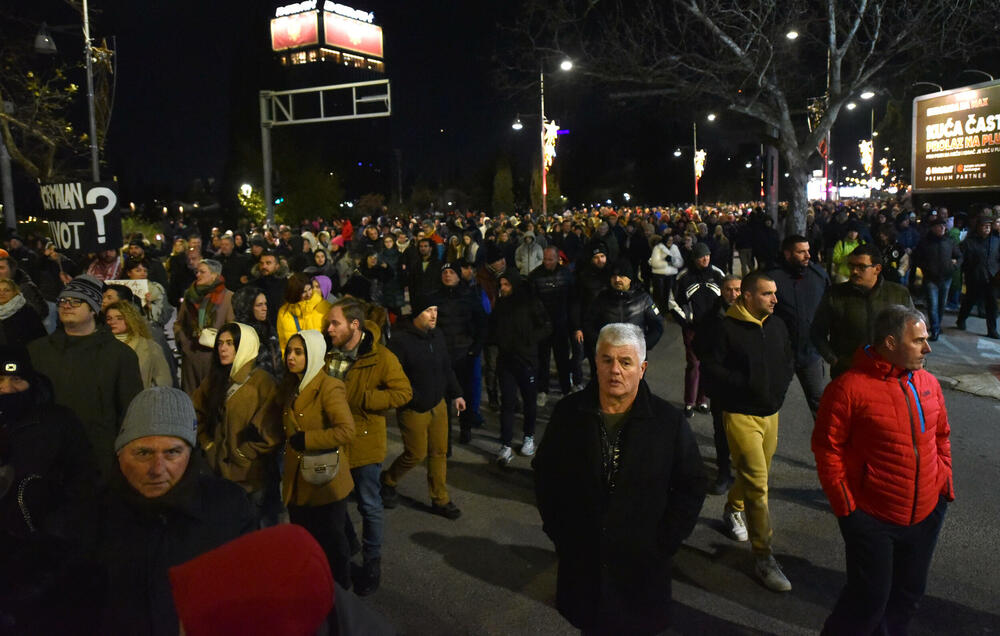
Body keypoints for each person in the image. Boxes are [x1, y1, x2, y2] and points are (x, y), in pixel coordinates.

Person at [533, 323, 706, 634]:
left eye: (625, 362)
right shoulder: (569, 414)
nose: (615, 370)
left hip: (642, 567)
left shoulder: (668, 422)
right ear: (595, 362)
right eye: (606, 360)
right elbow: (547, 477)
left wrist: (665, 542)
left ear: (642, 368)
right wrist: (560, 532)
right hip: (583, 563)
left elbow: (691, 485)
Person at [812, 305, 954, 634]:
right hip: (873, 518)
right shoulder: (848, 389)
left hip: (926, 514)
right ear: (890, 343)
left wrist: (943, 485)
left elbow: (942, 435)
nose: (928, 348)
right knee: (867, 602)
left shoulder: (929, 383)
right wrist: (848, 508)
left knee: (907, 597)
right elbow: (827, 449)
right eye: (919, 340)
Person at [95, 386, 254, 635]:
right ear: (120, 454)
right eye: (143, 453)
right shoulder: (91, 515)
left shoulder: (228, 510)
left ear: (190, 454)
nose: (157, 469)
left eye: (172, 453)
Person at [702, 271, 795, 592]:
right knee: (758, 484)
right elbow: (711, 370)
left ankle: (734, 508)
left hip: (771, 413)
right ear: (749, 296)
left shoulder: (777, 324)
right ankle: (764, 556)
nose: (775, 299)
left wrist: (777, 392)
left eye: (774, 293)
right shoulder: (725, 328)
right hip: (741, 415)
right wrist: (744, 388)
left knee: (758, 474)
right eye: (768, 294)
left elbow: (787, 360)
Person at [0, 346, 100, 634]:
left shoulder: (58, 423)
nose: (7, 389)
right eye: (1, 381)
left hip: (46, 563)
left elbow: (84, 483)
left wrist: (55, 535)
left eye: (17, 380)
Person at [325, 297, 412, 595]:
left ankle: (372, 561)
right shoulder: (329, 353)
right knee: (335, 502)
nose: (329, 327)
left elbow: (403, 393)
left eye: (334, 322)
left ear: (354, 325)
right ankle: (349, 546)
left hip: (364, 442)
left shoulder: (382, 357)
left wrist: (369, 399)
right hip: (335, 441)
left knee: (369, 505)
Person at [28, 275, 143, 482]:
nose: (67, 306)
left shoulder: (119, 355)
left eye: (76, 301)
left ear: (93, 308)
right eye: (63, 300)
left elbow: (130, 411)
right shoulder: (37, 351)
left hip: (99, 460)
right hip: (46, 457)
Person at [279, 330, 356, 590]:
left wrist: (309, 439)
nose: (291, 357)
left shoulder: (328, 386)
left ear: (313, 354)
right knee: (306, 537)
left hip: (326, 478)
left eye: (298, 352)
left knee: (332, 541)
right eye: (289, 351)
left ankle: (341, 592)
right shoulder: (291, 384)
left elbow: (346, 430)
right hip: (299, 476)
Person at [381, 298, 466, 520]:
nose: (434, 315)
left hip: (438, 404)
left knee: (439, 452)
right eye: (429, 310)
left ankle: (440, 499)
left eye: (436, 310)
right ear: (417, 314)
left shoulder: (437, 335)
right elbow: (392, 377)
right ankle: (388, 479)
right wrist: (412, 398)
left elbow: (446, 366)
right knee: (415, 453)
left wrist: (456, 393)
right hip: (414, 408)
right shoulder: (400, 341)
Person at [191, 323, 282, 522]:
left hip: (252, 477)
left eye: (230, 343)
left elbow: (273, 428)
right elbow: (196, 412)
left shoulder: (262, 382)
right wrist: (207, 444)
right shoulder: (214, 379)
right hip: (219, 474)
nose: (223, 348)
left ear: (244, 346)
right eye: (220, 343)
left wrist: (245, 453)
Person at [811, 244, 914, 378]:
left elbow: (913, 330)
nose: (854, 271)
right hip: (848, 374)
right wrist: (834, 360)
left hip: (887, 374)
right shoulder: (835, 294)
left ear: (877, 269)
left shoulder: (898, 294)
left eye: (861, 267)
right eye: (851, 266)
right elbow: (817, 332)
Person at [489, 270, 551, 465]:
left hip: (527, 361)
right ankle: (505, 444)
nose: (503, 289)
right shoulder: (501, 303)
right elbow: (494, 326)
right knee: (507, 402)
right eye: (501, 285)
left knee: (529, 401)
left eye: (506, 285)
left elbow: (547, 326)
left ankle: (528, 437)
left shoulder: (531, 302)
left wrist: (529, 340)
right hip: (506, 361)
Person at [766, 234, 831, 416]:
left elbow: (829, 309)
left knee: (820, 403)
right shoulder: (771, 279)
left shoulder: (818, 276)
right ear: (787, 254)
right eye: (801, 252)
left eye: (808, 251)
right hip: (780, 354)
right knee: (769, 401)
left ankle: (825, 443)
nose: (807, 255)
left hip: (810, 353)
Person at [693, 274, 741, 495]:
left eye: (738, 290)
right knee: (721, 430)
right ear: (722, 291)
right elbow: (698, 346)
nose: (733, 294)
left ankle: (744, 468)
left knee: (744, 429)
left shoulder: (752, 314)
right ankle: (723, 471)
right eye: (729, 289)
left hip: (744, 385)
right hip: (720, 385)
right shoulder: (710, 318)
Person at [668, 242, 726, 417]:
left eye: (708, 255)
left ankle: (702, 400)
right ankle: (689, 402)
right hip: (693, 329)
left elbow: (729, 296)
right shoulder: (683, 277)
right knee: (694, 364)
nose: (706, 258)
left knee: (709, 364)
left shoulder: (717, 274)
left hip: (714, 328)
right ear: (694, 258)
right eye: (702, 256)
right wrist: (686, 321)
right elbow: (672, 302)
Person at [434, 262, 487, 444]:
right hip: (442, 355)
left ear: (458, 276)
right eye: (445, 272)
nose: (448, 275)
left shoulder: (469, 296)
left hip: (464, 354)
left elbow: (482, 324)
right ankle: (444, 440)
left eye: (451, 272)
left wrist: (475, 350)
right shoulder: (435, 297)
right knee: (443, 399)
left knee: (464, 395)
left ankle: (465, 428)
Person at [174, 259, 235, 393]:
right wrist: (183, 342)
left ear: (214, 276)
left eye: (202, 272)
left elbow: (231, 327)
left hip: (214, 357)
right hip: (191, 355)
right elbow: (179, 323)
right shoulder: (190, 295)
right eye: (197, 272)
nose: (198, 275)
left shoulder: (228, 297)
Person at [583, 259, 663, 360]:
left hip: (635, 358)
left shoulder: (643, 299)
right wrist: (600, 343)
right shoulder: (602, 299)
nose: (617, 279)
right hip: (608, 357)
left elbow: (657, 326)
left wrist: (643, 346)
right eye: (613, 276)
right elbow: (588, 323)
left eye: (621, 276)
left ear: (630, 278)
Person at [529, 246, 576, 404]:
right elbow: (532, 302)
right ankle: (542, 390)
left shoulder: (566, 275)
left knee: (562, 359)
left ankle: (565, 389)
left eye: (550, 259)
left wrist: (573, 324)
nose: (547, 262)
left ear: (557, 259)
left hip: (561, 324)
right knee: (542, 359)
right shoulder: (535, 276)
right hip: (542, 325)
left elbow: (572, 301)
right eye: (545, 259)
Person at [104, 300, 173, 389]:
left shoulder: (150, 347)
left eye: (119, 318)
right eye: (109, 318)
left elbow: (163, 382)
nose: (112, 322)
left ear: (130, 319)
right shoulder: (100, 346)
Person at [912, 218, 961, 341]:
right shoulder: (925, 242)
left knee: (941, 304)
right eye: (939, 226)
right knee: (932, 304)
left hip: (946, 277)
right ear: (933, 228)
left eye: (943, 226)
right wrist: (925, 267)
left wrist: (954, 266)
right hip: (931, 278)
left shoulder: (949, 241)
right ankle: (935, 329)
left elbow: (959, 256)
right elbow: (917, 257)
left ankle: (937, 326)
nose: (942, 228)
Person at [956, 215, 1000, 338]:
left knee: (992, 305)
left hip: (991, 277)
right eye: (984, 225)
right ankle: (961, 319)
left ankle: (992, 330)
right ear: (978, 227)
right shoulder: (970, 242)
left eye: (989, 226)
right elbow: (962, 258)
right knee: (969, 301)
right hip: (975, 277)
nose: (987, 228)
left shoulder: (996, 241)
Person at [231, 286, 282, 378]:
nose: (265, 308)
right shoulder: (238, 334)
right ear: (247, 307)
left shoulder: (268, 329)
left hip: (273, 385)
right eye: (259, 305)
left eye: (265, 304)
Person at [276, 272, 328, 352]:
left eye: (310, 289)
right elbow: (283, 342)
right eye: (304, 292)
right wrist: (286, 360)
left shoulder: (324, 307)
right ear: (295, 293)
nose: (308, 294)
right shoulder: (284, 312)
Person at [0, 277, 46, 347]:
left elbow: (40, 336)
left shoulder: (27, 310)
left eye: (7, 290)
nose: (2, 293)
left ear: (14, 292)